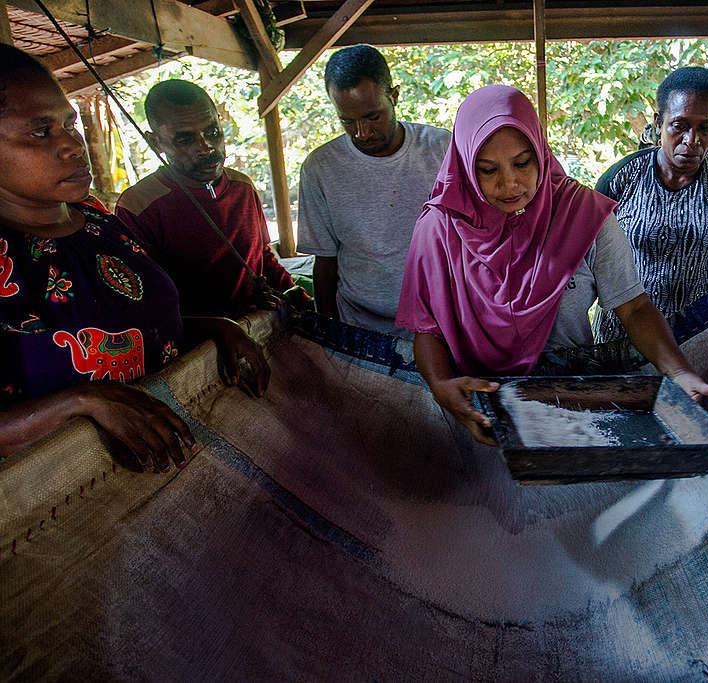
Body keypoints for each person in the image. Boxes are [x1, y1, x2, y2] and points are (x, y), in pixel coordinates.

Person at [396, 85, 708, 445]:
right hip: (480, 415)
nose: (510, 183)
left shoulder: (581, 215)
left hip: (575, 410)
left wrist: (679, 373)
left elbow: (635, 307)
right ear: (466, 165)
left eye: (522, 163)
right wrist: (441, 384)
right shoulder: (440, 229)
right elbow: (428, 330)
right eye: (487, 170)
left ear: (540, 151)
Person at [0, 46, 269, 467]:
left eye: (69, 124)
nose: (74, 145)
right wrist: (81, 401)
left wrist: (216, 326)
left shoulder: (99, 224)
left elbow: (137, 330)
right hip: (68, 510)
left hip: (177, 459)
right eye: (40, 132)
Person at [297, 44, 450, 337]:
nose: (361, 133)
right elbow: (325, 264)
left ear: (394, 96)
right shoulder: (320, 168)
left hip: (438, 323)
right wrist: (331, 333)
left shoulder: (441, 148)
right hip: (360, 327)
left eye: (372, 117)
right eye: (347, 121)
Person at [115, 80, 300, 318]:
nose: (206, 147)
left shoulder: (242, 187)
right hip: (199, 347)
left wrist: (292, 293)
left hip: (258, 328)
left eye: (212, 132)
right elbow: (148, 301)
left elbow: (261, 257)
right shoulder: (139, 207)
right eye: (185, 139)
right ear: (156, 143)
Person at [592, 67, 708, 343]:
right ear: (658, 122)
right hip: (621, 334)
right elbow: (587, 249)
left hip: (696, 331)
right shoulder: (624, 177)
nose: (692, 140)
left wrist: (699, 275)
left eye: (705, 127)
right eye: (679, 125)